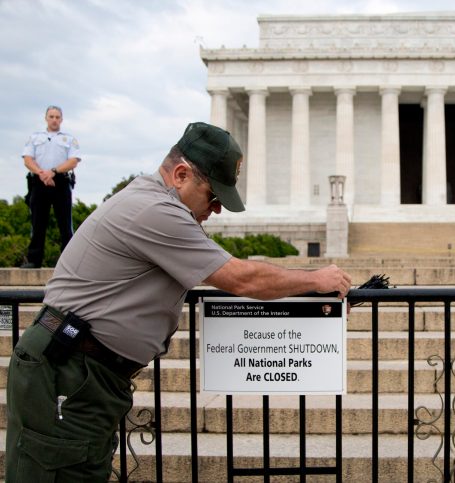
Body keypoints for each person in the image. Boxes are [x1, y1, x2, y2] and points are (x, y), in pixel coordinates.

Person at [5, 122, 353, 481]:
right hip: (69, 369)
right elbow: (240, 278)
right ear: (181, 175)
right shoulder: (155, 210)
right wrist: (315, 279)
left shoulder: (152, 201)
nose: (216, 209)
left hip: (81, 369)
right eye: (212, 196)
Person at [20, 105, 81, 268]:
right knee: (37, 222)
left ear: (61, 119)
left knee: (65, 224)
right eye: (51, 116)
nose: (54, 120)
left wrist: (53, 172)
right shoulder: (35, 137)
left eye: (57, 117)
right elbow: (27, 159)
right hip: (39, 182)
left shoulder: (68, 139)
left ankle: (68, 263)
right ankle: (34, 260)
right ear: (46, 118)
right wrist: (42, 174)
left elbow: (73, 160)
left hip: (60, 182)